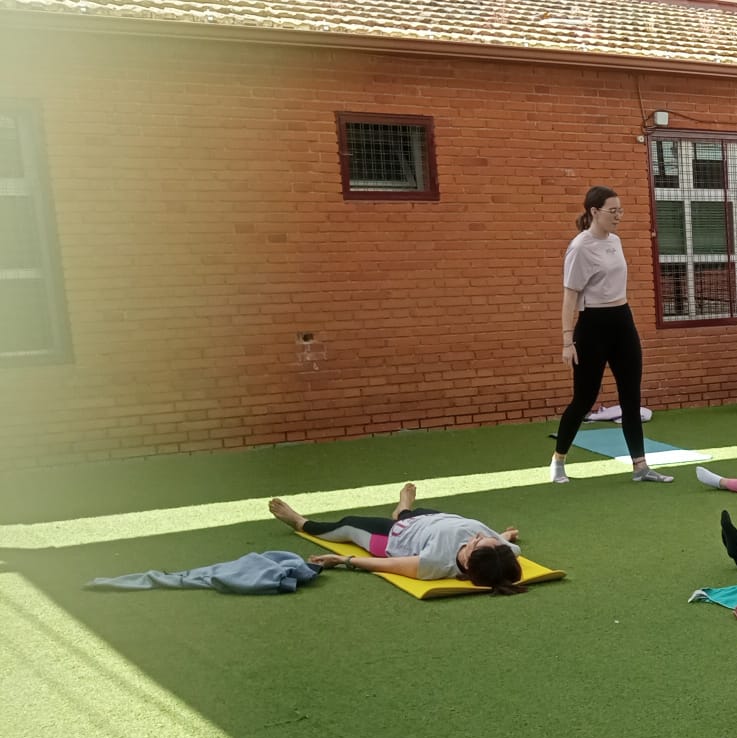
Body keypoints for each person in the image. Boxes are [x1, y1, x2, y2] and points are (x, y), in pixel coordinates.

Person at [551, 185, 673, 485]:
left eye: (621, 210)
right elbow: (570, 296)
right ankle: (558, 460)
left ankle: (640, 466)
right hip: (592, 326)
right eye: (613, 211)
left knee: (631, 396)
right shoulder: (580, 247)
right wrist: (567, 340)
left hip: (622, 321)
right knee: (584, 399)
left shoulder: (615, 241)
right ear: (594, 211)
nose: (618, 216)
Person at [267, 483, 525, 595]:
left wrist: (344, 559)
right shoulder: (502, 551)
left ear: (468, 561)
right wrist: (504, 536)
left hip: (396, 535)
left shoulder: (434, 563)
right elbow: (499, 547)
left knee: (347, 524)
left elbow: (389, 565)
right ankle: (403, 509)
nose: (479, 535)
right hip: (432, 519)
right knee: (416, 513)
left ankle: (300, 522)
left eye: (477, 542)